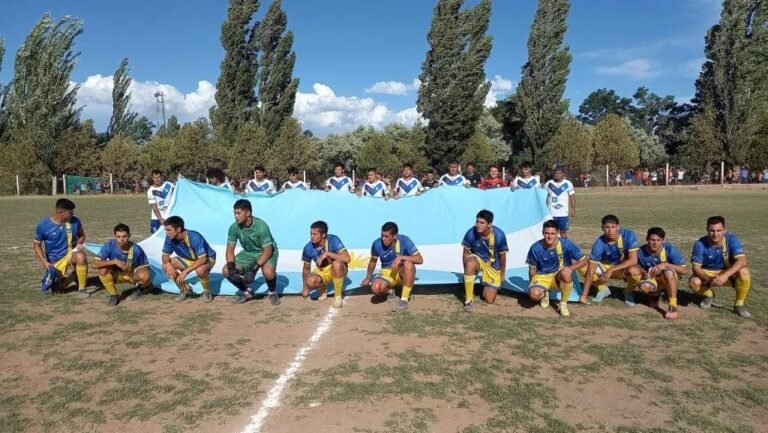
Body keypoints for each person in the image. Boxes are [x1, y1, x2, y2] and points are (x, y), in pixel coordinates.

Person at [688, 216, 752, 318]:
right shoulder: (699, 244)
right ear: (707, 230)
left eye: (719, 230)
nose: (715, 234)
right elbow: (696, 268)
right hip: (707, 274)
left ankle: (739, 305)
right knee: (693, 282)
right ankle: (709, 295)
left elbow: (742, 261)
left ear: (724, 230)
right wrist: (709, 279)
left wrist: (725, 275)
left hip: (727, 273)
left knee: (744, 271)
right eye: (711, 231)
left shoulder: (732, 239)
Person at [223, 199, 280, 306]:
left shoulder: (261, 226)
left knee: (268, 272)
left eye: (239, 213)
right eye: (234, 213)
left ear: (248, 213)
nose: (236, 216)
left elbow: (268, 250)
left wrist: (253, 270)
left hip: (266, 251)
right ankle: (247, 292)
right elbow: (230, 250)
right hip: (249, 252)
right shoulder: (233, 227)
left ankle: (272, 292)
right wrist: (231, 268)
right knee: (226, 271)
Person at [526, 220, 587, 317]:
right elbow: (532, 269)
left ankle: (563, 304)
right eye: (546, 233)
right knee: (533, 295)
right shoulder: (535, 248)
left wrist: (571, 268)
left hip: (558, 276)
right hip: (542, 277)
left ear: (558, 233)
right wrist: (532, 285)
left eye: (552, 233)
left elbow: (584, 261)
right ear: (542, 233)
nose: (549, 236)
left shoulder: (566, 244)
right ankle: (544, 293)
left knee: (566, 274)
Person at [578, 215, 642, 305]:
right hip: (604, 268)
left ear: (618, 227)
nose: (610, 230)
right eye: (607, 227)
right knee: (583, 266)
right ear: (602, 228)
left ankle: (628, 292)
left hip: (621, 268)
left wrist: (611, 270)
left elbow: (633, 260)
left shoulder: (628, 235)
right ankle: (603, 289)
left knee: (635, 271)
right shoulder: (599, 244)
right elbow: (590, 271)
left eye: (613, 227)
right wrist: (584, 295)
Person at [33, 199, 89, 298]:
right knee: (58, 290)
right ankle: (75, 275)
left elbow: (82, 236)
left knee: (81, 256)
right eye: (70, 212)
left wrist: (78, 245)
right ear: (60, 213)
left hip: (71, 254)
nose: (73, 214)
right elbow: (36, 246)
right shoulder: (44, 225)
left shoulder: (75, 221)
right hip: (55, 260)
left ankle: (82, 288)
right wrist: (45, 262)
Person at [362, 222, 423, 312]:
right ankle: (390, 290)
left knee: (408, 264)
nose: (383, 239)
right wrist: (368, 278)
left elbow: (420, 259)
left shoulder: (404, 240)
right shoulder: (376, 244)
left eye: (386, 236)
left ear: (395, 236)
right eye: (382, 235)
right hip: (387, 273)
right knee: (375, 288)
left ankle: (404, 300)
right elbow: (373, 261)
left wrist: (401, 257)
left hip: (402, 272)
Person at [93, 224, 153, 306]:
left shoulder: (136, 249)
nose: (121, 239)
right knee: (102, 269)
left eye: (124, 236)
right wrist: (114, 261)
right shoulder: (109, 246)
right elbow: (94, 264)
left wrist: (136, 271)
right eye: (118, 236)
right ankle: (114, 295)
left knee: (145, 275)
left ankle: (141, 289)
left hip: (132, 275)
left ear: (129, 236)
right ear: (115, 236)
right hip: (117, 275)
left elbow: (146, 266)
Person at [461, 210, 509, 312]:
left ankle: (483, 285)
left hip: (493, 265)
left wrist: (502, 274)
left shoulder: (499, 235)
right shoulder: (471, 233)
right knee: (470, 263)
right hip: (477, 260)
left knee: (489, 300)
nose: (478, 225)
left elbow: (502, 256)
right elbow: (465, 254)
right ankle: (468, 300)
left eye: (482, 223)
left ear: (489, 224)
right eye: (477, 222)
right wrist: (466, 270)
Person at [636, 227, 688, 319]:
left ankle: (672, 306)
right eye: (652, 240)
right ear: (647, 239)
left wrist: (666, 264)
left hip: (670, 277)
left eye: (658, 240)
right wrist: (643, 272)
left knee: (668, 272)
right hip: (653, 278)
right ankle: (655, 296)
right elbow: (636, 266)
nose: (655, 243)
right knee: (644, 286)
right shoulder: (641, 251)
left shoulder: (669, 249)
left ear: (663, 240)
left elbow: (684, 270)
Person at [161, 216, 216, 302]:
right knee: (165, 265)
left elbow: (203, 259)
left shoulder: (194, 237)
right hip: (189, 259)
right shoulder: (169, 238)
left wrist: (185, 272)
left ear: (178, 229)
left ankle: (206, 291)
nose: (166, 233)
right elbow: (165, 255)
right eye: (166, 230)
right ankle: (185, 289)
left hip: (208, 258)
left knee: (200, 269)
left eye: (168, 230)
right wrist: (168, 265)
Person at [301, 221, 350, 308]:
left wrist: (327, 254)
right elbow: (306, 269)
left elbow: (347, 258)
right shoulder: (308, 248)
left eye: (315, 234)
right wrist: (305, 287)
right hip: (322, 271)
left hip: (338, 269)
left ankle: (338, 297)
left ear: (323, 235)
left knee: (337, 264)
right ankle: (323, 290)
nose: (312, 236)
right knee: (311, 281)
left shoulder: (333, 239)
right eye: (311, 233)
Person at [542, 166, 576, 238]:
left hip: (563, 213)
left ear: (563, 174)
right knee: (551, 232)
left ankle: (564, 248)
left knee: (563, 231)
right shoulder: (548, 184)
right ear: (553, 174)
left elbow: (572, 196)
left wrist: (573, 209)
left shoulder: (568, 183)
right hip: (551, 213)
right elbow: (543, 197)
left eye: (560, 173)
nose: (557, 175)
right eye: (556, 173)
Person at [147, 170, 175, 234]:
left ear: (162, 177)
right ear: (152, 178)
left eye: (159, 177)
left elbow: (177, 193)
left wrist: (181, 181)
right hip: (156, 219)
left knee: (171, 236)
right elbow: (154, 207)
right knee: (156, 238)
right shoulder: (150, 191)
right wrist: (161, 220)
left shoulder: (169, 185)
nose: (157, 179)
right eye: (155, 177)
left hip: (169, 216)